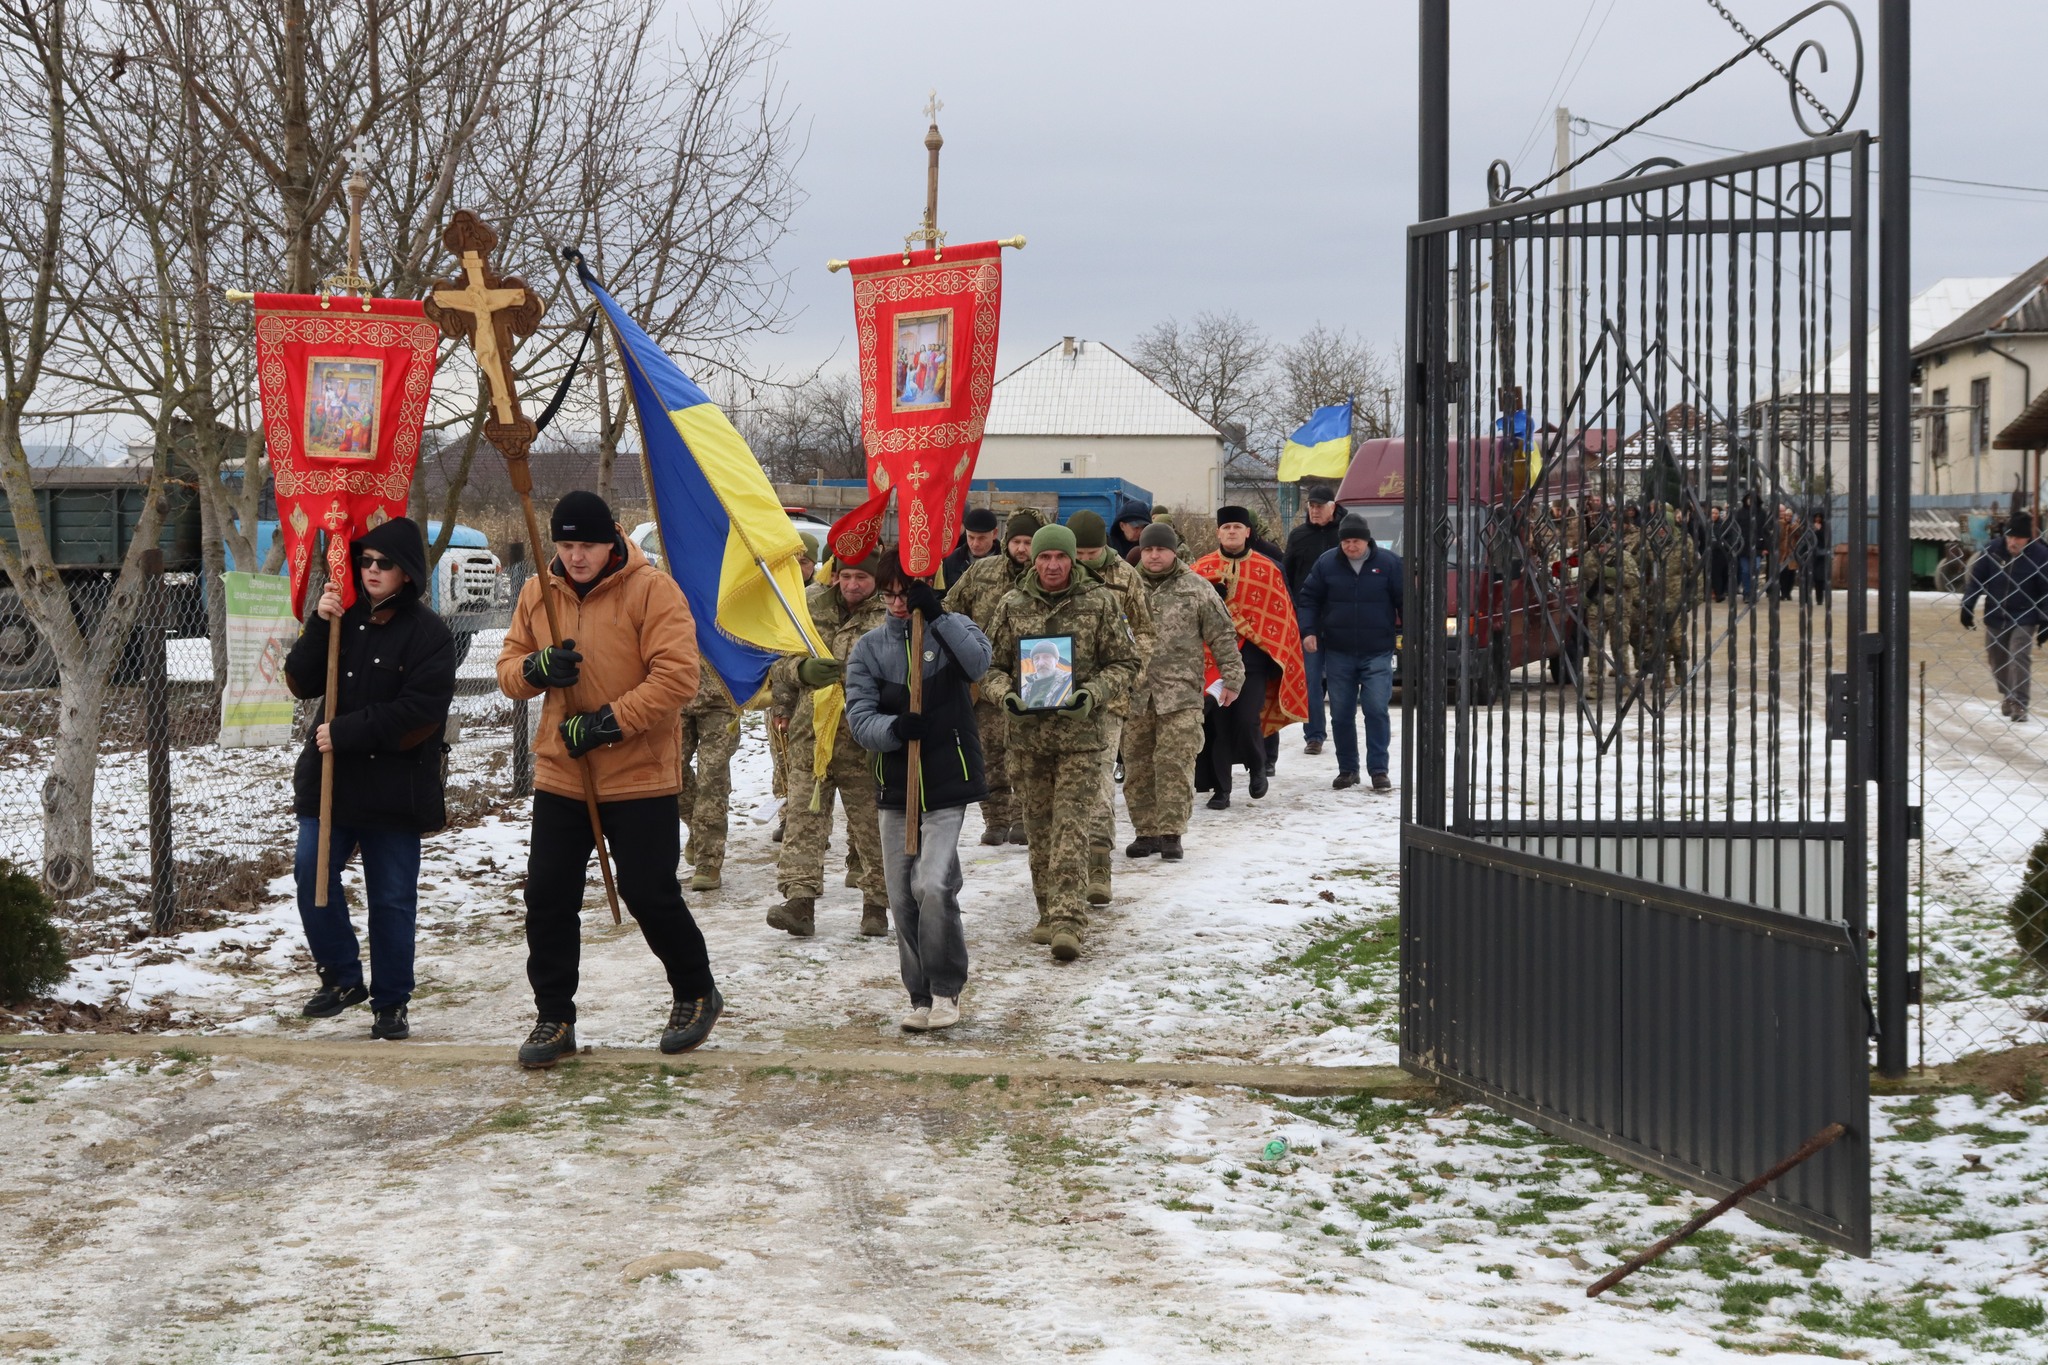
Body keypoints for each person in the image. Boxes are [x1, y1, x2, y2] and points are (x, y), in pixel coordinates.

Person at [496, 491, 719, 1068]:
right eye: (566, 545)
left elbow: (677, 677)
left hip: (638, 772)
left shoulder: (652, 591)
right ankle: (554, 1016)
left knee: (648, 891)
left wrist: (607, 723)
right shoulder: (535, 593)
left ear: (612, 538)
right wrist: (534, 669)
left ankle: (695, 991)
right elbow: (507, 671)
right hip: (561, 772)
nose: (575, 557)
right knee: (548, 897)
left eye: (586, 545)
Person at [283, 517, 455, 1041]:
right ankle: (340, 976)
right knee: (312, 874)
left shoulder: (430, 634)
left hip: (395, 786)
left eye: (384, 563)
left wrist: (349, 732)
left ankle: (391, 1002)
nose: (373, 570)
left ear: (406, 573)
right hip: (330, 782)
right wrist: (319, 621)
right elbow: (300, 680)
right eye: (366, 561)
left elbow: (421, 712)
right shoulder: (342, 618)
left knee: (392, 897)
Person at [843, 553, 992, 1031]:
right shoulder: (869, 648)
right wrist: (895, 727)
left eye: (906, 594)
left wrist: (941, 616)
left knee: (934, 884)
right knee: (902, 896)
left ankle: (948, 990)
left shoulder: (955, 629)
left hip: (948, 782)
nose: (898, 604)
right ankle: (920, 996)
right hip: (895, 787)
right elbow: (860, 719)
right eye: (889, 595)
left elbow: (979, 665)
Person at [982, 523, 1141, 960]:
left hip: (1081, 737)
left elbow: (1127, 661)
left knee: (1071, 824)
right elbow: (988, 666)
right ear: (1033, 560)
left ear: (1073, 560)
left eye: (1061, 558)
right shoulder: (1011, 605)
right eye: (1044, 557)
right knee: (1039, 826)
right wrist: (1005, 696)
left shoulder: (1102, 602)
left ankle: (1069, 920)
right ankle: (1047, 912)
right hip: (1028, 738)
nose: (1052, 565)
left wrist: (1094, 694)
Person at [768, 546, 891, 936]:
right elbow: (778, 660)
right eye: (846, 575)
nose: (852, 585)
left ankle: (877, 904)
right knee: (803, 823)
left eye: (862, 578)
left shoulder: (889, 615)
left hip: (865, 742)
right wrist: (799, 670)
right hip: (813, 736)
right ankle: (799, 902)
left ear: (876, 580)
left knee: (872, 828)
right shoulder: (807, 606)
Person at [1125, 522, 1243, 859]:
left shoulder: (1197, 588)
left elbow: (1222, 636)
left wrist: (1233, 678)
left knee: (1175, 763)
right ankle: (1145, 832)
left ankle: (1171, 832)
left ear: (1173, 551)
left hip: (1181, 694)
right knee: (1138, 766)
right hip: (1135, 694)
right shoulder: (1124, 588)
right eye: (1148, 549)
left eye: (1160, 549)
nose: (1154, 555)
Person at [943, 507, 1047, 845]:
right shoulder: (982, 573)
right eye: (1017, 541)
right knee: (990, 755)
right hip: (986, 680)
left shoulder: (1049, 576)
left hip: (1035, 679)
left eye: (1028, 542)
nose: (1021, 549)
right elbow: (948, 608)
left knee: (1028, 755)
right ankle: (996, 820)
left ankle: (1023, 818)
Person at [1192, 506, 1307, 808]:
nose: (1231, 531)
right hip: (1211, 663)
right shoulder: (1200, 570)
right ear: (1218, 532)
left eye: (1237, 527)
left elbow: (1282, 618)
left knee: (1245, 720)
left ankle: (1258, 767)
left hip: (1252, 663)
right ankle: (1222, 789)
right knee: (1217, 725)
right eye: (1226, 527)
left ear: (1247, 532)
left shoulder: (1267, 568)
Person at [1070, 510, 1156, 905]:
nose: (1084, 560)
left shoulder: (1125, 577)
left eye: (1091, 552)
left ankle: (1099, 866)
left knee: (1100, 784)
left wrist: (1130, 675)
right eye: (1079, 553)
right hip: (1056, 699)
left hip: (1108, 700)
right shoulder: (1054, 574)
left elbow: (1144, 631)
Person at [1298, 511, 1403, 791]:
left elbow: (1406, 601)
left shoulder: (1389, 563)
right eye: (1345, 542)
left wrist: (1411, 636)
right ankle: (1348, 770)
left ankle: (1379, 769)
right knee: (1341, 713)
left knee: (1376, 709)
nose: (1350, 547)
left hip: (1377, 651)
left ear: (1367, 541)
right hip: (1338, 651)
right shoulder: (1327, 563)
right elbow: (1308, 598)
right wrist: (1308, 631)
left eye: (1356, 541)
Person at [1963, 513, 2048, 721]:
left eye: (2018, 538)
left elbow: (2046, 591)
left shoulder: (2040, 556)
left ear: (2028, 538)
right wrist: (1968, 604)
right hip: (1996, 613)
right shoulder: (1993, 549)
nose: (2012, 542)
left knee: (2018, 655)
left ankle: (2019, 703)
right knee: (1996, 658)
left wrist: (2046, 620)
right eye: (2009, 537)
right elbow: (1976, 580)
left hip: (2025, 615)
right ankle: (2008, 694)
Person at [768, 533, 822, 846]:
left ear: (813, 565)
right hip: (779, 687)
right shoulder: (775, 593)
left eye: (803, 561)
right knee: (782, 755)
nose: (797, 567)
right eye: (792, 561)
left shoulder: (817, 597)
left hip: (814, 692)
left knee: (812, 759)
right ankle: (788, 814)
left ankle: (812, 817)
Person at [1283, 486, 1344, 756]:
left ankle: (1342, 729)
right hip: (1307, 620)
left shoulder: (1347, 534)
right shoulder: (1298, 536)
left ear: (1333, 506)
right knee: (1310, 681)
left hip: (1342, 620)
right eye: (1311, 506)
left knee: (1341, 681)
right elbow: (1288, 576)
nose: (1315, 510)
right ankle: (1314, 735)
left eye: (1320, 505)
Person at [678, 662, 740, 892]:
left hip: (721, 699)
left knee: (712, 779)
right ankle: (697, 827)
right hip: (675, 694)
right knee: (670, 773)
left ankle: (709, 861)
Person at [940, 506, 1001, 588]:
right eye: (971, 537)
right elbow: (940, 595)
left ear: (994, 533)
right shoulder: (952, 560)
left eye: (981, 538)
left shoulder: (1007, 561)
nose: (975, 544)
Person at [1109, 497, 1154, 564]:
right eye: (1136, 527)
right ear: (1122, 526)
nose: (1140, 531)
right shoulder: (1108, 547)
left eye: (1143, 527)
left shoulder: (1152, 548)